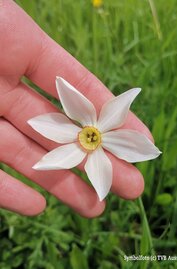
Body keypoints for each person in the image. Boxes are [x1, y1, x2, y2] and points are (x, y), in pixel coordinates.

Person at [0, 0, 153, 217]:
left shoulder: (99, 139)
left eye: (91, 137)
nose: (91, 137)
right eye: (91, 136)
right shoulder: (86, 132)